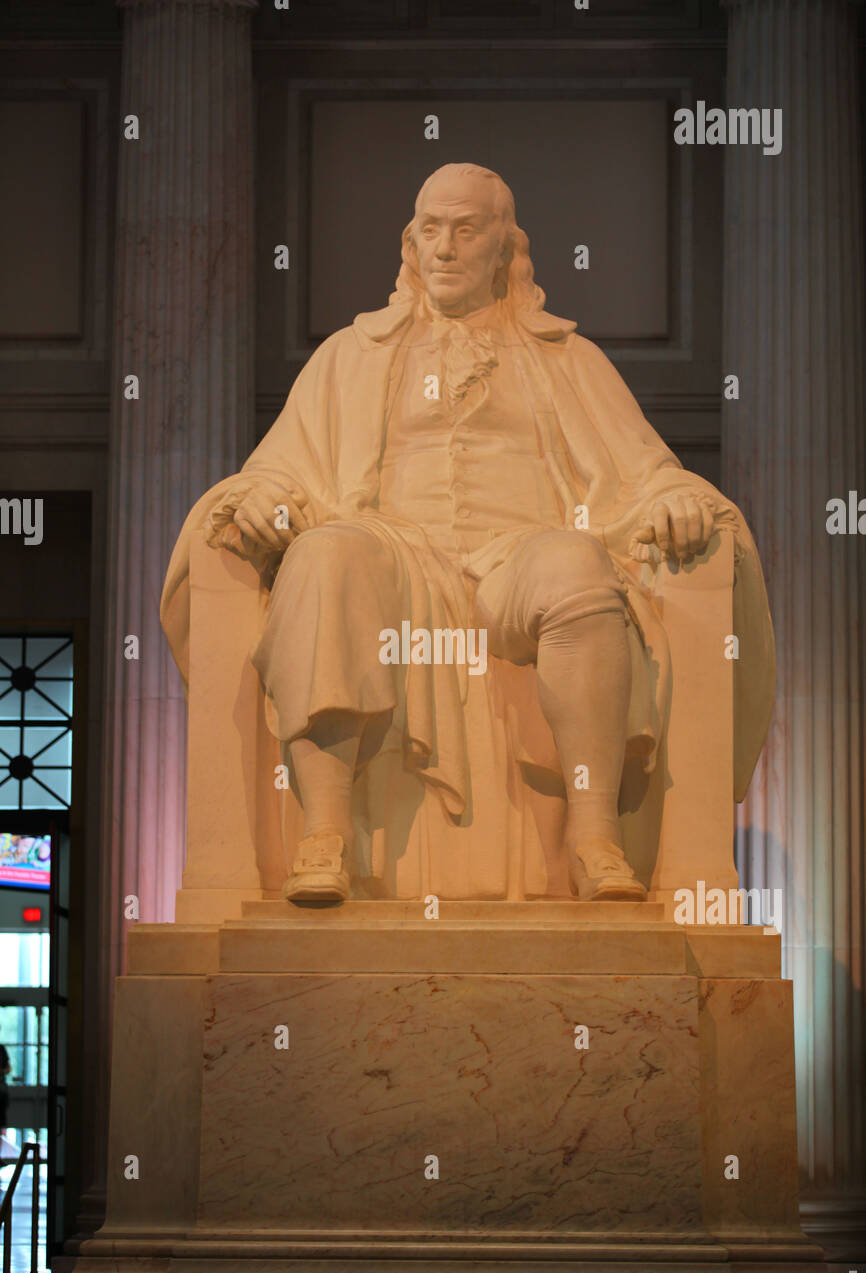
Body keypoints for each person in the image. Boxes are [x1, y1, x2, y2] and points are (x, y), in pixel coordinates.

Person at [162, 163, 774, 904]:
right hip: (392, 554)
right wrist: (261, 500)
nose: (445, 248)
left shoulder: (566, 358)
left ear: (505, 249)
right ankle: (323, 836)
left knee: (579, 564)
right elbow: (283, 469)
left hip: (520, 555)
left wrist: (677, 496)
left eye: (466, 229)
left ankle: (593, 835)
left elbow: (647, 469)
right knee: (322, 554)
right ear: (410, 247)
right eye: (430, 230)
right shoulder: (350, 357)